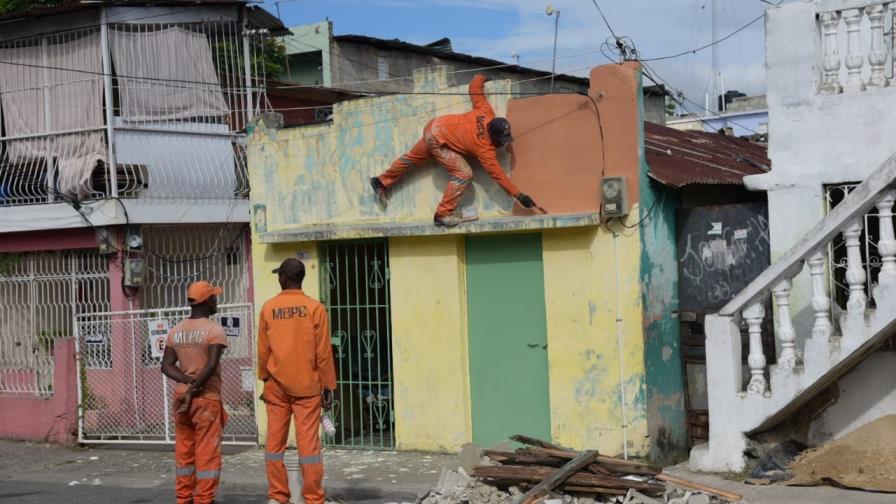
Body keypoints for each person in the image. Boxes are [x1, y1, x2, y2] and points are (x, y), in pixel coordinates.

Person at [370, 73, 539, 227]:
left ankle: (381, 181)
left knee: (410, 158)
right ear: (492, 135)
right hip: (438, 141)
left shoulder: (486, 112)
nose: (502, 144)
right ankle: (442, 214)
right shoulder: (484, 147)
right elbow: (498, 175)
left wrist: (482, 77)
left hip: (435, 126)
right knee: (463, 174)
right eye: (501, 140)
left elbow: (474, 88)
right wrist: (519, 195)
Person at [258, 258, 337, 504]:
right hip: (307, 388)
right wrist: (328, 386)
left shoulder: (268, 308)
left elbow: (263, 351)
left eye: (278, 275)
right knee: (309, 449)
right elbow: (323, 353)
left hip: (276, 389)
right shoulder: (315, 308)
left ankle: (277, 496)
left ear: (283, 278)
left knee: (274, 447)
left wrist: (264, 378)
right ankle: (313, 498)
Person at [160, 280, 229, 504]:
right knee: (207, 452)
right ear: (207, 301)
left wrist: (187, 383)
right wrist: (195, 387)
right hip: (205, 399)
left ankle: (184, 498)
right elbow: (211, 365)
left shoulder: (176, 330)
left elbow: (166, 365)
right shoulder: (214, 330)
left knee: (184, 450)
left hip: (181, 398)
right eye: (214, 297)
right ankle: (204, 499)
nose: (216, 301)